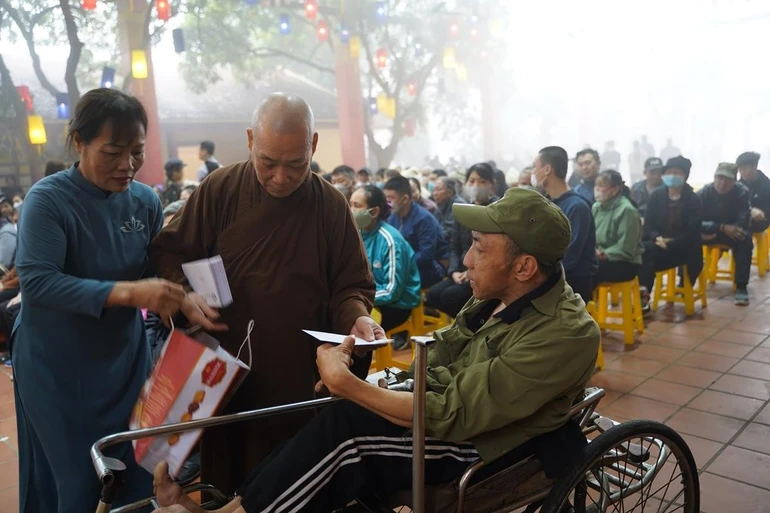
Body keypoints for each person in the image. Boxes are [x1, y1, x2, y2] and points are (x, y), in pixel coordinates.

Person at [151, 188, 600, 513]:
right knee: (327, 410)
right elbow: (442, 353)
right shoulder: (494, 297)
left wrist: (351, 385)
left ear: (523, 266)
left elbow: (456, 413)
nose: (466, 260)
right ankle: (233, 509)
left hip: (487, 442)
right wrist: (376, 385)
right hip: (450, 411)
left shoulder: (566, 334)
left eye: (480, 249)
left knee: (348, 432)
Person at [150, 92, 381, 496]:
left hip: (298, 375)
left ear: (312, 146)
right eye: (268, 163)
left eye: (296, 165)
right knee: (226, 477)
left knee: (294, 483)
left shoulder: (330, 206)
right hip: (224, 373)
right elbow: (171, 251)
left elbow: (350, 286)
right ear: (250, 140)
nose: (280, 177)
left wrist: (356, 318)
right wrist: (185, 296)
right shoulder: (220, 189)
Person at [11, 88, 221, 513]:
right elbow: (38, 282)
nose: (127, 165)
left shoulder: (143, 201)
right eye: (112, 151)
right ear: (79, 142)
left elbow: (155, 268)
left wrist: (180, 298)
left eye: (137, 152)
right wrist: (129, 292)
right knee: (79, 480)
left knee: (142, 469)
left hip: (125, 362)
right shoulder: (47, 201)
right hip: (57, 367)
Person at [426, 163, 499, 317]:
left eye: (482, 181)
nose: (476, 186)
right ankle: (465, 326)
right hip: (461, 270)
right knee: (433, 294)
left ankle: (472, 327)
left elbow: (495, 250)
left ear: (491, 184)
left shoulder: (497, 211)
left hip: (486, 272)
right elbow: (454, 246)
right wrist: (453, 271)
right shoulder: (465, 211)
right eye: (471, 181)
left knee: (450, 296)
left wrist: (471, 271)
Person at [350, 185, 421, 332]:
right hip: (369, 299)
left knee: (353, 326)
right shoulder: (357, 234)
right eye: (350, 204)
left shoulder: (390, 241)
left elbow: (392, 291)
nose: (351, 210)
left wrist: (359, 298)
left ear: (374, 211)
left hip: (396, 305)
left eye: (356, 206)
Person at [533, 146, 597, 302]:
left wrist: (539, 275)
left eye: (535, 167)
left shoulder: (577, 206)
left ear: (547, 169)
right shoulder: (547, 203)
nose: (533, 172)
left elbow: (570, 256)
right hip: (552, 273)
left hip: (572, 281)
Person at [639, 156, 703, 310]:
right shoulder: (656, 196)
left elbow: (692, 232)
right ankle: (644, 295)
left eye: (677, 172)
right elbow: (649, 224)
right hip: (659, 244)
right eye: (669, 172)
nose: (672, 175)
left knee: (647, 257)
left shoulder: (693, 199)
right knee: (642, 251)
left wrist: (671, 243)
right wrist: (656, 237)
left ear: (685, 176)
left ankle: (644, 294)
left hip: (684, 248)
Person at [698, 163, 752, 305]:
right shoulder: (704, 193)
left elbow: (743, 220)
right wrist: (719, 228)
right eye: (719, 178)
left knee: (744, 239)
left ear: (734, 181)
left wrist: (721, 232)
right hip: (709, 231)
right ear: (714, 178)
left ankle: (741, 286)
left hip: (729, 233)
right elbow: (694, 222)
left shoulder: (742, 193)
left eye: (727, 180)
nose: (722, 183)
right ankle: (684, 281)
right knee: (686, 238)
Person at [384, 175, 447, 289]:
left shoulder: (424, 219)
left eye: (391, 198)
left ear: (405, 199)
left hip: (431, 268)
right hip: (401, 265)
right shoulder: (392, 217)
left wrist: (398, 263)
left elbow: (426, 256)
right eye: (386, 198)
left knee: (393, 283)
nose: (387, 202)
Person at [592, 170, 643, 287]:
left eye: (602, 186)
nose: (597, 189)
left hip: (625, 263)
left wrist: (604, 254)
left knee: (587, 271)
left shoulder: (627, 210)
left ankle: (583, 303)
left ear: (615, 189)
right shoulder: (596, 207)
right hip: (600, 257)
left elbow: (626, 247)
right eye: (596, 185)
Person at [736, 152, 770, 233]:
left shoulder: (766, 185)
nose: (742, 172)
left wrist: (762, 213)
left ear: (754, 167)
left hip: (759, 223)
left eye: (744, 169)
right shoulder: (737, 185)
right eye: (740, 170)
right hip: (740, 222)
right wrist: (750, 210)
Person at [431, 177, 465, 244]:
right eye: (434, 190)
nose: (435, 193)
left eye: (439, 189)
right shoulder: (441, 205)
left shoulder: (458, 205)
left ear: (450, 192)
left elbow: (449, 231)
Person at [0, 196, 16, 269]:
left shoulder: (6, 232)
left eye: (6, 206)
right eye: (1, 208)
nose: (3, 210)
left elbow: (3, 264)